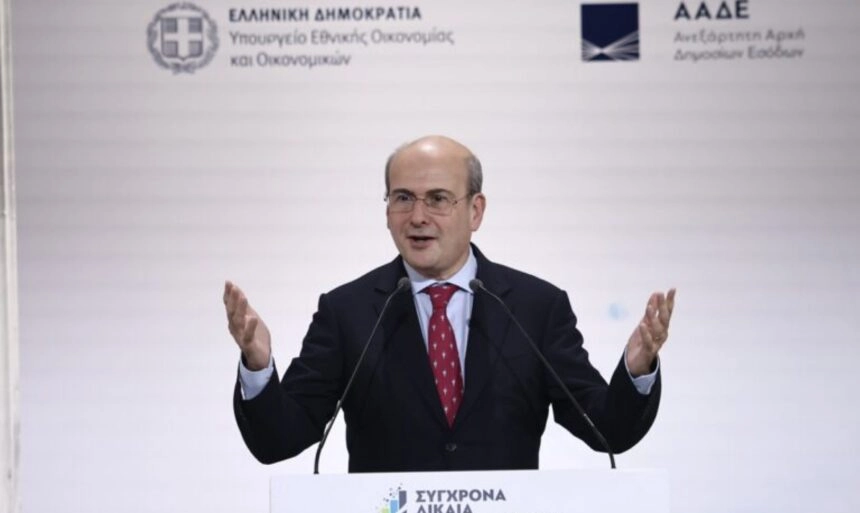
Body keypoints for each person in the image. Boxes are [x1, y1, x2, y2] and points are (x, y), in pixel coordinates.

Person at [224, 135, 676, 472]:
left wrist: (636, 371)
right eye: (403, 198)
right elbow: (279, 440)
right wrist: (258, 367)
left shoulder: (536, 308)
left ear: (475, 211)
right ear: (386, 209)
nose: (418, 217)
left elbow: (606, 428)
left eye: (438, 199)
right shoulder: (348, 311)